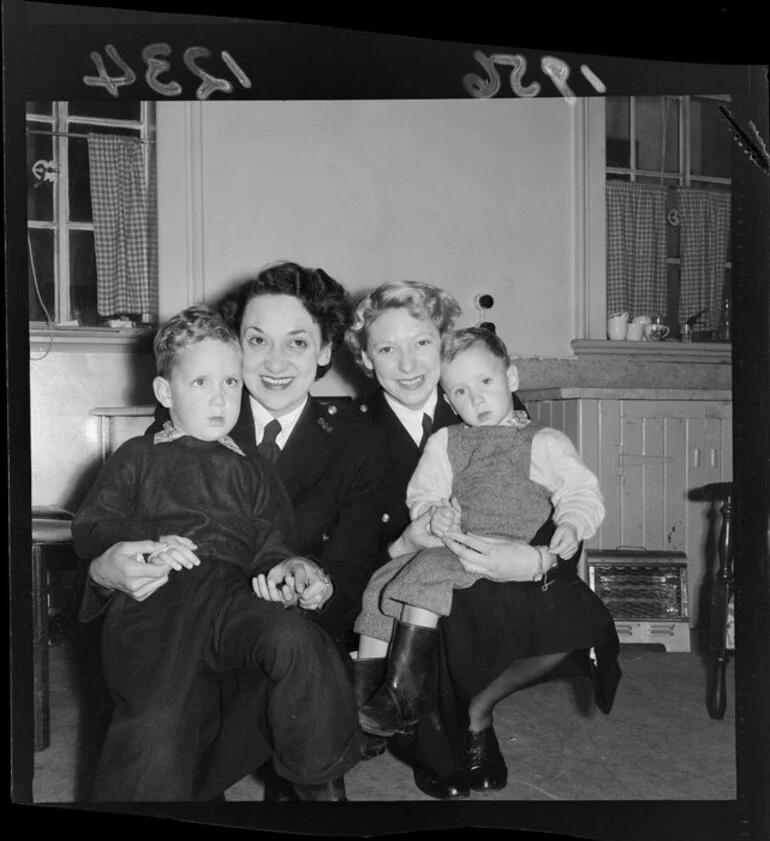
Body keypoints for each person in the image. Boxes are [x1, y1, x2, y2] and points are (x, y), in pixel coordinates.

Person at [82, 263, 387, 801]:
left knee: (298, 644)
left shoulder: (319, 453)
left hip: (239, 606)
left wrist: (297, 571)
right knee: (158, 716)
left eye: (296, 342)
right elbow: (103, 523)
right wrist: (114, 561)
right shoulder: (152, 446)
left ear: (324, 351)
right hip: (164, 607)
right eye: (256, 341)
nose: (271, 363)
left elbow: (284, 543)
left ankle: (320, 782)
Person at [345, 280, 622, 799]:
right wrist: (410, 539)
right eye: (387, 348)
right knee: (427, 601)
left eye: (421, 343)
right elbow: (352, 551)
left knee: (580, 624)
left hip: (511, 564)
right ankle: (410, 717)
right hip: (418, 579)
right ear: (365, 359)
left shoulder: (488, 401)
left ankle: (477, 711)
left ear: (445, 342)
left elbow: (562, 493)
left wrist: (540, 560)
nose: (407, 364)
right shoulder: (349, 433)